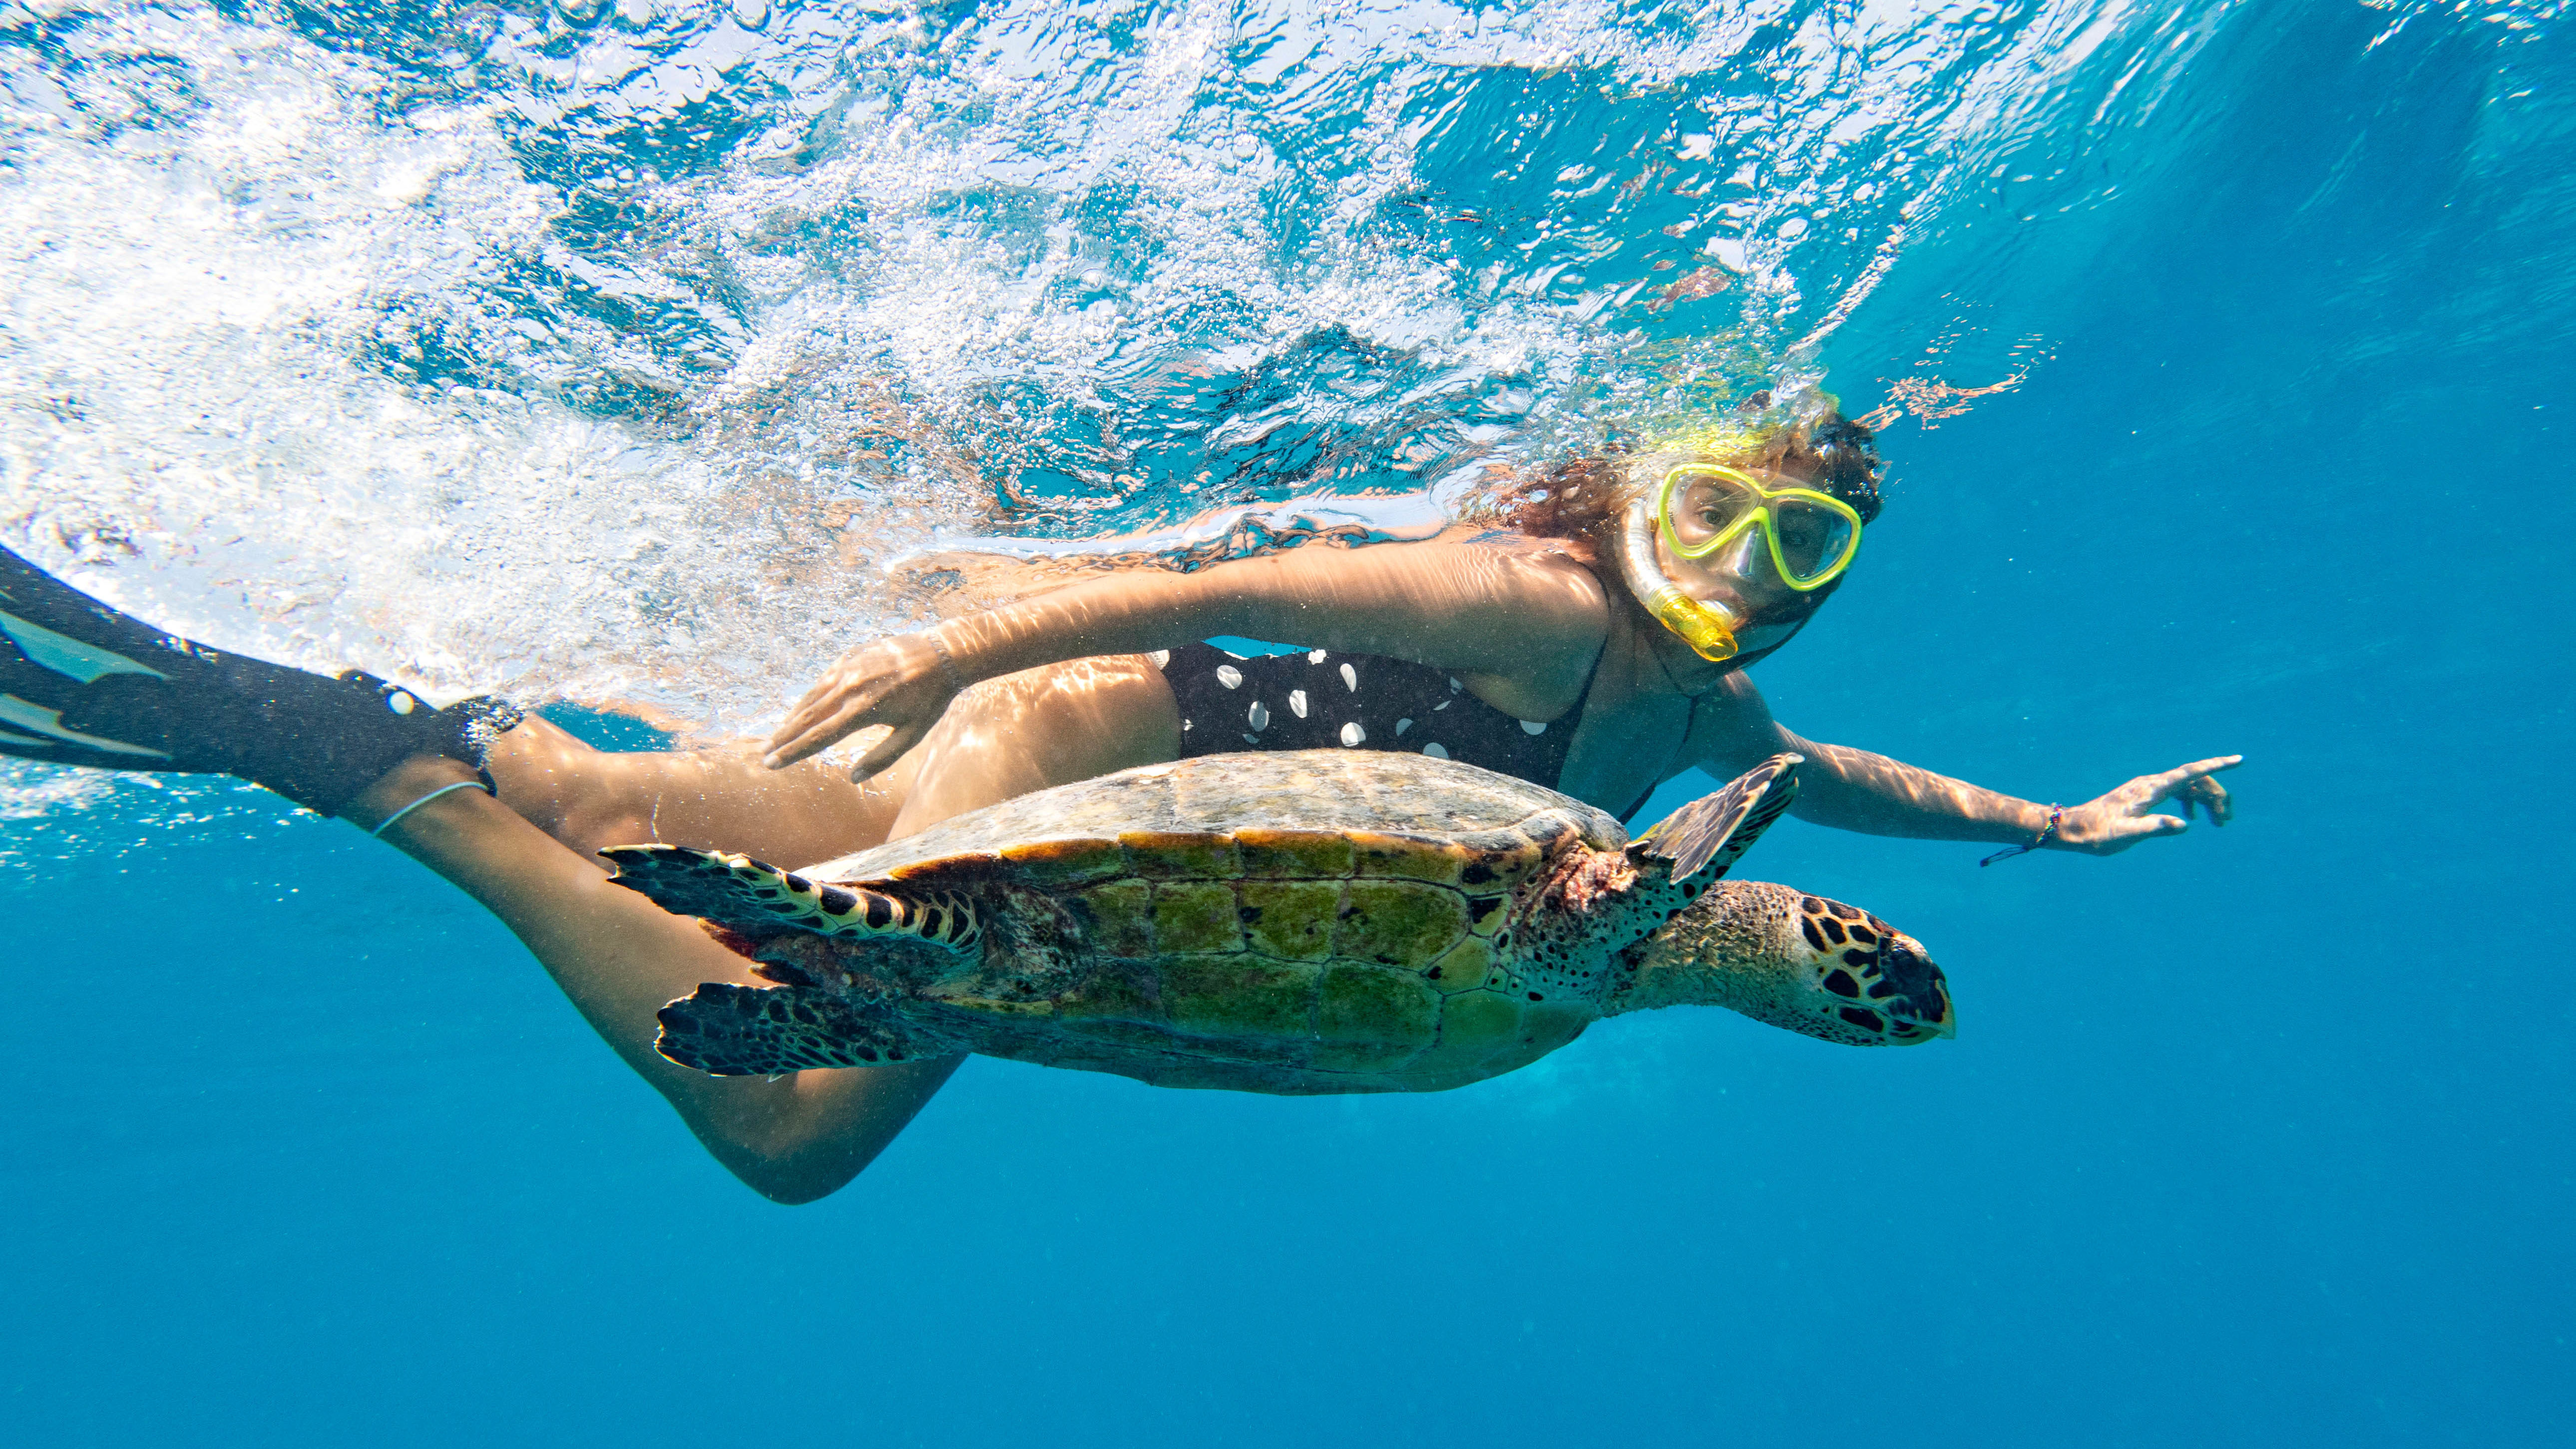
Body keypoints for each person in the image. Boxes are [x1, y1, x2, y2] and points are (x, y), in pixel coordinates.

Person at [0, 405, 2236, 1202]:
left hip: (1128, 782)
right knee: (791, 1123)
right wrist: (955, 642)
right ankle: (373, 769)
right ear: (1647, 486)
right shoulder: (1540, 604)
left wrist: (2054, 828)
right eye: (1728, 503)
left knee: (633, 786)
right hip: (1085, 753)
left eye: (1807, 550)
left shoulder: (1684, 733)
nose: (1749, 563)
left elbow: (1818, 774)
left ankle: (300, 683)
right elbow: (1230, 578)